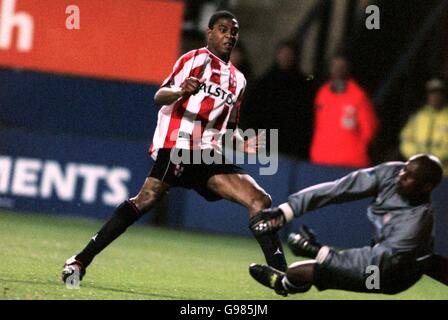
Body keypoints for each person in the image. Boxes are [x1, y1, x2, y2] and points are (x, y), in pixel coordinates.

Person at [61, 11, 287, 285]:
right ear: (210, 32)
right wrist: (181, 91)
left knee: (260, 200)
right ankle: (81, 260)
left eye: (233, 32)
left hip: (208, 154)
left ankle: (282, 276)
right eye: (223, 30)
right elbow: (160, 95)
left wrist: (243, 143)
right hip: (178, 145)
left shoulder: (238, 80)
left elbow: (228, 128)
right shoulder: (194, 59)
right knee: (146, 200)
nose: (229, 36)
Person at [248, 154, 447, 296]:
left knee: (297, 272)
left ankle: (281, 285)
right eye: (405, 167)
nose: (401, 175)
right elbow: (341, 188)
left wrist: (320, 252)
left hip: (388, 275)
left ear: (426, 187)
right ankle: (287, 282)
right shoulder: (391, 174)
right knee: (300, 272)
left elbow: (375, 262)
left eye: (410, 175)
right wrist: (286, 211)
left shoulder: (416, 223)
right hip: (392, 257)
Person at [240, 40, 314, 160]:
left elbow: (305, 117)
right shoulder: (264, 83)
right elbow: (252, 113)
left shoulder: (303, 85)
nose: (285, 58)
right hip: (264, 142)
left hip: (290, 146)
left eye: (289, 54)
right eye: (283, 54)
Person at [310, 55, 379, 167]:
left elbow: (369, 128)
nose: (337, 71)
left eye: (341, 67)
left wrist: (356, 148)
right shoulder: (323, 93)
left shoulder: (358, 95)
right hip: (321, 159)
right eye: (334, 66)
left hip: (349, 162)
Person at [400, 78, 448, 176]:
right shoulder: (418, 117)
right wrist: (416, 157)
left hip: (444, 173)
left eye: (439, 93)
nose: (435, 97)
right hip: (419, 173)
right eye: (432, 93)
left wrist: (434, 158)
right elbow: (405, 139)